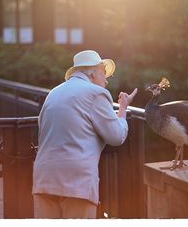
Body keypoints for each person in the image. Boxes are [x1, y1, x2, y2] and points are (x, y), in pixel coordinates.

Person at [32, 50, 137, 219]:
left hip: (44, 179)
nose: (106, 79)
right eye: (104, 73)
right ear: (93, 72)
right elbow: (116, 136)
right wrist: (123, 109)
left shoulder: (53, 93)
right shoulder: (96, 93)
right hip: (76, 183)